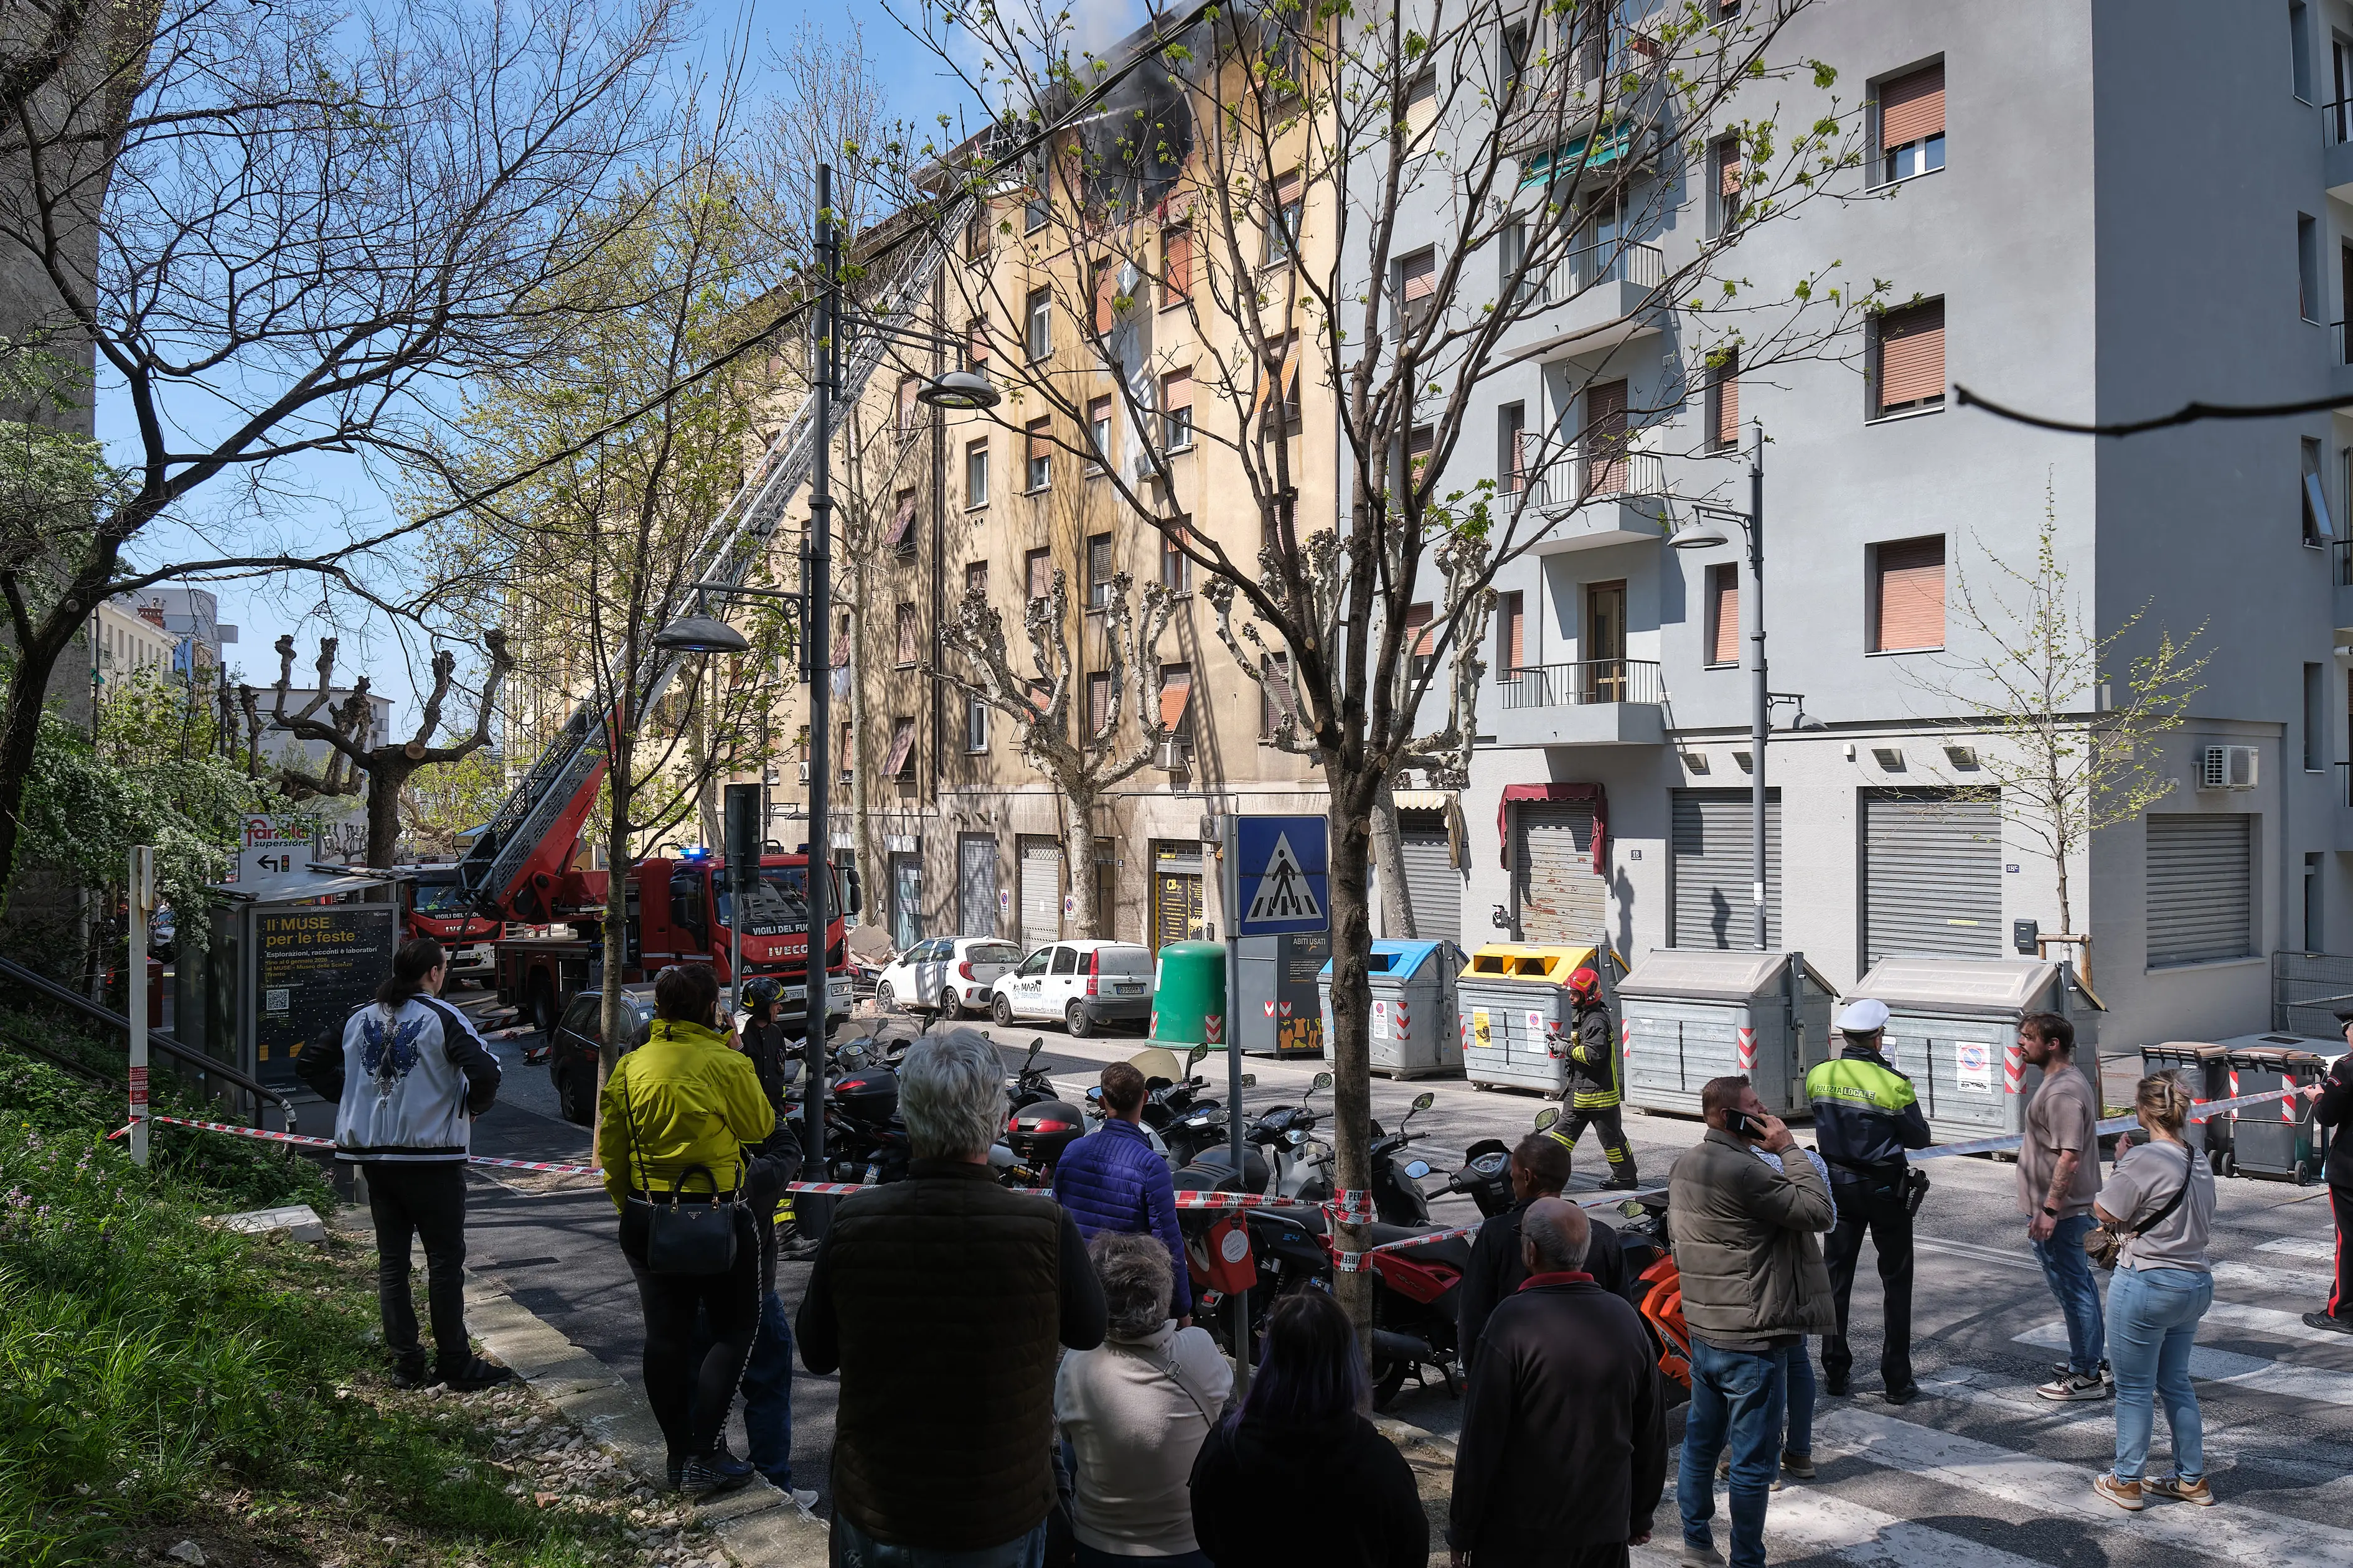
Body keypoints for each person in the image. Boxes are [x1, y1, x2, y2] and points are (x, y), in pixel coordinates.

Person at [799, 1027, 1107, 1564]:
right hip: (998, 1515)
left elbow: (817, 1352)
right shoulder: (1044, 1226)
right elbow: (1089, 1329)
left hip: (880, 1509)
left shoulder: (855, 1220)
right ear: (994, 1117)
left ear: (908, 1111)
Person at [298, 935, 511, 1392]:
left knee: (393, 1261)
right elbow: (488, 1071)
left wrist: (352, 1098)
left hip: (375, 1156)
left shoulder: (360, 1015)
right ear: (435, 972)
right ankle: (454, 1359)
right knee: (444, 1260)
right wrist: (471, 1107)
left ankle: (406, 1363)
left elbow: (310, 1063)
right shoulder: (442, 1016)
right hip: (432, 1156)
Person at [599, 962, 775, 1496]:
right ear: (710, 1008)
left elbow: (611, 1152)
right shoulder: (724, 1061)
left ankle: (680, 1456)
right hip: (718, 1216)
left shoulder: (631, 1065)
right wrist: (737, 1056)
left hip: (648, 1214)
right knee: (735, 1328)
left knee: (665, 1338)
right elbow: (760, 1127)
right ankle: (705, 1451)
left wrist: (634, 1207)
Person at [1667, 1075, 1834, 1568]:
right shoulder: (1746, 1170)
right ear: (1726, 1117)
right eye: (1754, 1106)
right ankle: (1748, 1560)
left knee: (1701, 1442)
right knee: (1752, 1461)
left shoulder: (1687, 1162)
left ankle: (1696, 1542)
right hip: (1752, 1337)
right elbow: (1818, 1211)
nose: (1766, 1112)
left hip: (1706, 1329)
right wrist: (1787, 1149)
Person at [1448, 1196, 1665, 1567]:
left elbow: (1480, 1439)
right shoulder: (1625, 1318)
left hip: (1523, 1535)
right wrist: (1639, 1512)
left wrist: (1463, 1529)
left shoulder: (1510, 1322)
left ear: (1530, 1251)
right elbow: (1650, 1429)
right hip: (1604, 1528)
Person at [1188, 1289, 1426, 1568]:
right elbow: (1411, 1554)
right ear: (1347, 1366)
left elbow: (1207, 1535)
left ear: (1270, 1361)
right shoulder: (1381, 1465)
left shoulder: (1225, 1447)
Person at [695, 975, 815, 1508]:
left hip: (683, 1250)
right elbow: (767, 1157)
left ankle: (699, 1458)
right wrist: (779, 1144)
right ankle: (775, 1481)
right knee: (767, 1364)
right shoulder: (731, 1065)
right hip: (745, 1254)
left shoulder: (645, 1066)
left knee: (700, 1355)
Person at [1054, 1232, 1232, 1567]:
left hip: (1099, 1547)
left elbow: (1070, 1452)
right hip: (1191, 1546)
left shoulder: (1077, 1365)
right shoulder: (1200, 1349)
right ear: (1162, 1292)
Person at [2090, 1072, 2218, 1511]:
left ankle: (2127, 1480)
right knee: (2176, 1382)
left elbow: (2107, 1208)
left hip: (2148, 1280)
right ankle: (2191, 1479)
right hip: (2195, 1281)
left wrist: (2121, 1163)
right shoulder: (2196, 1156)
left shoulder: (2143, 1157)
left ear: (2144, 1111)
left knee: (2134, 1388)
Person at [1803, 997, 1929, 1403]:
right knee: (1896, 1281)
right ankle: (1897, 1379)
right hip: (1884, 1190)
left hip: (1837, 1185)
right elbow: (1919, 1138)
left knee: (1835, 1279)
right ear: (1878, 1037)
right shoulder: (1893, 1082)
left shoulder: (1819, 1075)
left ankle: (1835, 1371)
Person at [1457, 1130, 1624, 1373]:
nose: (1511, 1182)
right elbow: (1622, 1315)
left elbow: (1473, 1318)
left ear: (1526, 1177)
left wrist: (1479, 1379)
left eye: (1512, 1176)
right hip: (1591, 1376)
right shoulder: (1603, 1236)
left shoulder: (1496, 1233)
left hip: (1517, 1375)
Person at [2016, 1010, 2108, 1401]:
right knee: (2079, 1287)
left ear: (2052, 1044)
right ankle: (2090, 1361)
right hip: (2064, 1213)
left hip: (2064, 1215)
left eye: (2028, 1037)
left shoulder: (2062, 1092)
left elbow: (2069, 1156)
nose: (2021, 1043)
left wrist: (2050, 1210)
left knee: (2074, 1290)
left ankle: (2085, 1374)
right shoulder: (2062, 1083)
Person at [1055, 1061, 1190, 1320]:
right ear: (1145, 1098)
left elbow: (1058, 1226)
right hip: (1131, 1305)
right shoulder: (1151, 1166)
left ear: (1102, 1102)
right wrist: (1182, 1310)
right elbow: (1169, 1245)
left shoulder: (1073, 1152)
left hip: (1081, 1297)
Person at [1551, 965, 1640, 1190]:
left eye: (1575, 994)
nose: (1570, 997)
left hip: (1597, 1097)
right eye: (1570, 992)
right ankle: (1546, 1177)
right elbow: (1584, 1047)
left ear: (1588, 995)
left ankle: (1626, 1178)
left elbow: (1593, 1055)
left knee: (1612, 1142)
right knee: (1560, 1139)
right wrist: (1565, 1045)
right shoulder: (1588, 1016)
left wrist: (1564, 1048)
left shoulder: (1596, 1021)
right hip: (1582, 1092)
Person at [2301, 1013, 2353, 1334]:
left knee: (2348, 1242)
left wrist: (2318, 1096)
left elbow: (2329, 1115)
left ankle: (2343, 1312)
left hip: (2349, 1169)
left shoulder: (2345, 1068)